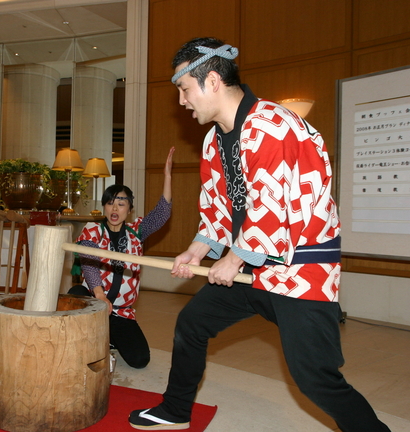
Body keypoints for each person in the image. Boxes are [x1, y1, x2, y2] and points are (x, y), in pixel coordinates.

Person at [128, 38, 390, 431]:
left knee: (315, 377)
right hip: (251, 263)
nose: (181, 101)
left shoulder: (273, 125)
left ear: (211, 81)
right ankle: (176, 410)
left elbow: (274, 208)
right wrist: (197, 250)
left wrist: (234, 258)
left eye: (184, 89)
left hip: (299, 270)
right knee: (192, 324)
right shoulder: (213, 140)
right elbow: (218, 208)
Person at [70, 147, 174, 369]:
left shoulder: (136, 232)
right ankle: (92, 335)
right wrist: (99, 295)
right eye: (110, 203)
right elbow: (88, 262)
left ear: (129, 209)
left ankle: (107, 336)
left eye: (121, 203)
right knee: (76, 293)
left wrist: (167, 176)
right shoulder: (92, 230)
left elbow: (162, 214)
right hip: (95, 301)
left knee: (139, 360)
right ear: (104, 207)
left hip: (120, 311)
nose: (115, 208)